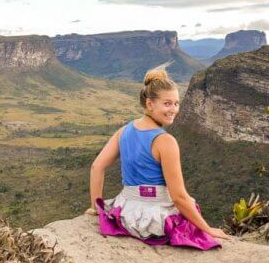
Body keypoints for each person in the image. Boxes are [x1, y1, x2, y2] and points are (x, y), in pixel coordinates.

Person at [87, 66, 231, 242]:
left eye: (176, 103)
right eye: (167, 103)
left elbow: (97, 167)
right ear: (149, 104)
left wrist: (96, 208)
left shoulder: (124, 131)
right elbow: (178, 197)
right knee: (193, 218)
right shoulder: (165, 141)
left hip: (125, 213)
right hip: (155, 219)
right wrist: (208, 229)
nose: (174, 109)